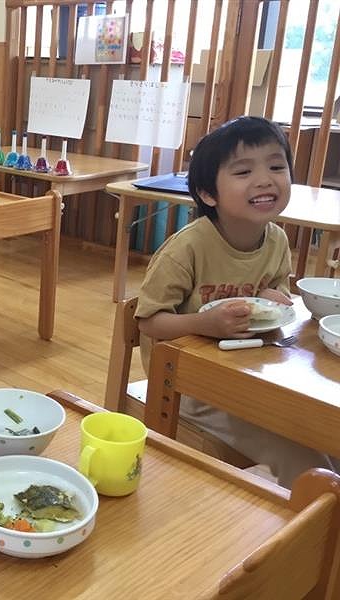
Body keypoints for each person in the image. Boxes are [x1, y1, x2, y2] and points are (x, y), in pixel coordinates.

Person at [135, 116, 338, 488]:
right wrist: (203, 324)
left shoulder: (276, 241)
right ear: (208, 193)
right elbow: (147, 321)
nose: (265, 179)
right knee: (308, 463)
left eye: (277, 166)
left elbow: (276, 290)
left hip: (255, 371)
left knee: (328, 437)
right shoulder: (189, 248)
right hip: (190, 386)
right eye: (243, 171)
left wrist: (272, 297)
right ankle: (312, 538)